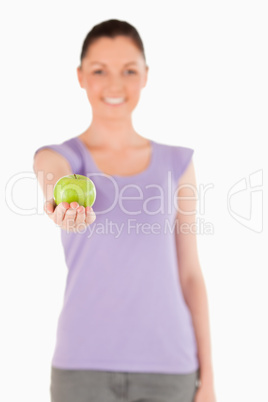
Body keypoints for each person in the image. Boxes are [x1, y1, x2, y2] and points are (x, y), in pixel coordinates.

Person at [33, 19, 216, 402]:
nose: (115, 84)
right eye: (100, 70)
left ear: (146, 76)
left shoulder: (176, 163)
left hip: (170, 370)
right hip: (80, 369)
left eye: (129, 71)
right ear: (80, 77)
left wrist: (210, 379)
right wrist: (57, 199)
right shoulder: (67, 157)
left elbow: (190, 275)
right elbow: (51, 172)